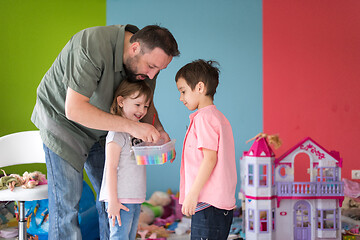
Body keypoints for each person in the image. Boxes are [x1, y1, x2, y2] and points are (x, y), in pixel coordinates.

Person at [31, 24, 179, 240]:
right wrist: (133, 127)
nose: (152, 74)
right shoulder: (91, 45)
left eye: (159, 70)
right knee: (67, 206)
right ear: (135, 47)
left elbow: (144, 101)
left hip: (105, 129)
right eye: (151, 66)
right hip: (63, 122)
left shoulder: (145, 66)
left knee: (114, 201)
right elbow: (74, 109)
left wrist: (158, 130)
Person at [175, 59, 237, 240]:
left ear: (200, 87)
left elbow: (210, 159)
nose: (181, 98)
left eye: (183, 91)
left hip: (207, 203)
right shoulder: (218, 117)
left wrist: (192, 195)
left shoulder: (203, 118)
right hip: (219, 204)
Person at [98, 79, 152, 240]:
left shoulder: (137, 132)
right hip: (120, 199)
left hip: (135, 196)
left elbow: (142, 158)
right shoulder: (116, 133)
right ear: (121, 101)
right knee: (119, 237)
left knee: (128, 236)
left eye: (146, 106)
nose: (142, 110)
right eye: (137, 104)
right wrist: (113, 201)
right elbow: (111, 168)